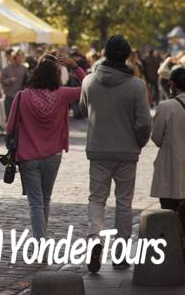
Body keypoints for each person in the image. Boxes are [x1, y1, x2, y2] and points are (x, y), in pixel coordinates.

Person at [79, 34, 151, 272]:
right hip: (126, 150)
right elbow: (143, 123)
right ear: (128, 55)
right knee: (124, 203)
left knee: (96, 198)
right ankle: (120, 254)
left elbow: (83, 108)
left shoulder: (89, 81)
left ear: (105, 54)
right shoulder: (137, 86)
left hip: (98, 149)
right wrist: (137, 144)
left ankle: (95, 238)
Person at [6, 54, 86, 238]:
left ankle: (40, 243)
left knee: (35, 202)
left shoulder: (22, 97)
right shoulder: (63, 94)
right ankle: (42, 239)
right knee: (46, 198)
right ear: (56, 76)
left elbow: (10, 127)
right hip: (53, 155)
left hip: (28, 156)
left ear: (35, 75)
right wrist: (75, 67)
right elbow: (90, 87)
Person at [150, 65, 185, 233]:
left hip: (171, 169)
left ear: (172, 84)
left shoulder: (166, 107)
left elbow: (156, 138)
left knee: (170, 215)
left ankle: (174, 250)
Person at [1, 50, 29, 130]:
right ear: (14, 58)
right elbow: (1, 80)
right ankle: (10, 132)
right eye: (19, 58)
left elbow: (27, 81)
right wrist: (9, 80)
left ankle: (20, 131)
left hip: (20, 95)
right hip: (9, 95)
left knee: (20, 115)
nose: (21, 60)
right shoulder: (6, 69)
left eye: (22, 58)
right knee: (10, 115)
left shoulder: (24, 68)